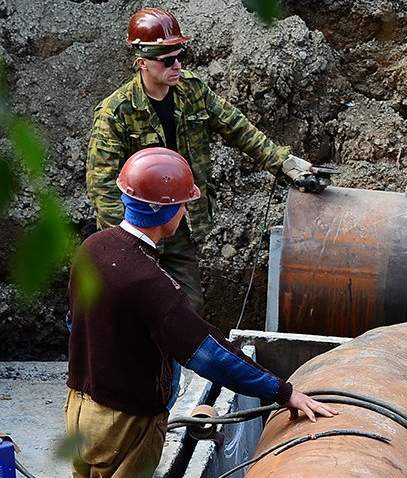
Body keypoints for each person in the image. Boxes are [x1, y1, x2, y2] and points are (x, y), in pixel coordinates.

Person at [66, 147, 337, 478]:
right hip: (124, 422)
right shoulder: (150, 283)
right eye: (182, 205)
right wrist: (283, 392)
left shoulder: (92, 247)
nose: (184, 212)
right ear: (165, 211)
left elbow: (74, 322)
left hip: (79, 410)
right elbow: (210, 355)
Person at [86, 7, 320, 309]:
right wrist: (125, 241)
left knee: (187, 306)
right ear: (142, 63)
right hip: (135, 227)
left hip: (176, 224)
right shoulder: (116, 112)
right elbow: (101, 184)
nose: (177, 65)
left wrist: (283, 164)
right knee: (130, 309)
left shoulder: (192, 91)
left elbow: (236, 127)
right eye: (167, 60)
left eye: (180, 56)